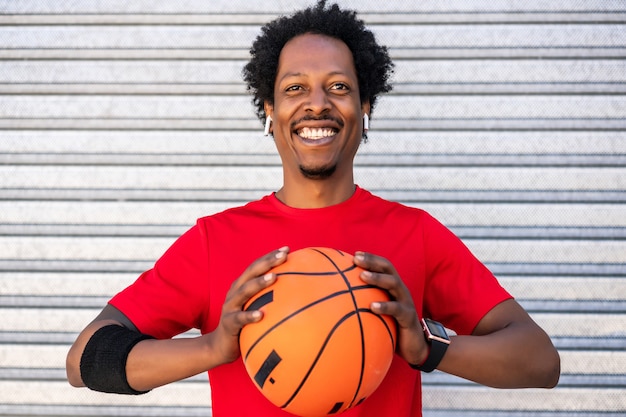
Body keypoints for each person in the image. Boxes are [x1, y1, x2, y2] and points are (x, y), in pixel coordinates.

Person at [66, 1, 560, 416]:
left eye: (339, 87)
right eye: (294, 88)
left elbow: (540, 361)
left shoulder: (415, 234)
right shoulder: (216, 240)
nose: (317, 104)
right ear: (270, 111)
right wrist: (214, 347)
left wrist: (428, 345)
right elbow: (83, 361)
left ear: (365, 109)